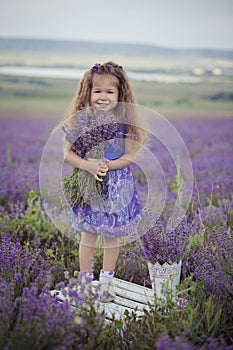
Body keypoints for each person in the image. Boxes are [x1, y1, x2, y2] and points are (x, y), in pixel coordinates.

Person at [63, 61, 145, 302]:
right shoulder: (80, 121)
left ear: (120, 94)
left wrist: (106, 165)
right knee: (87, 234)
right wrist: (88, 165)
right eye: (97, 91)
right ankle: (86, 283)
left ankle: (106, 283)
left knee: (112, 235)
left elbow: (130, 156)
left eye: (110, 92)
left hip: (117, 186)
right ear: (88, 93)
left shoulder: (126, 122)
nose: (103, 97)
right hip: (89, 183)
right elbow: (68, 153)